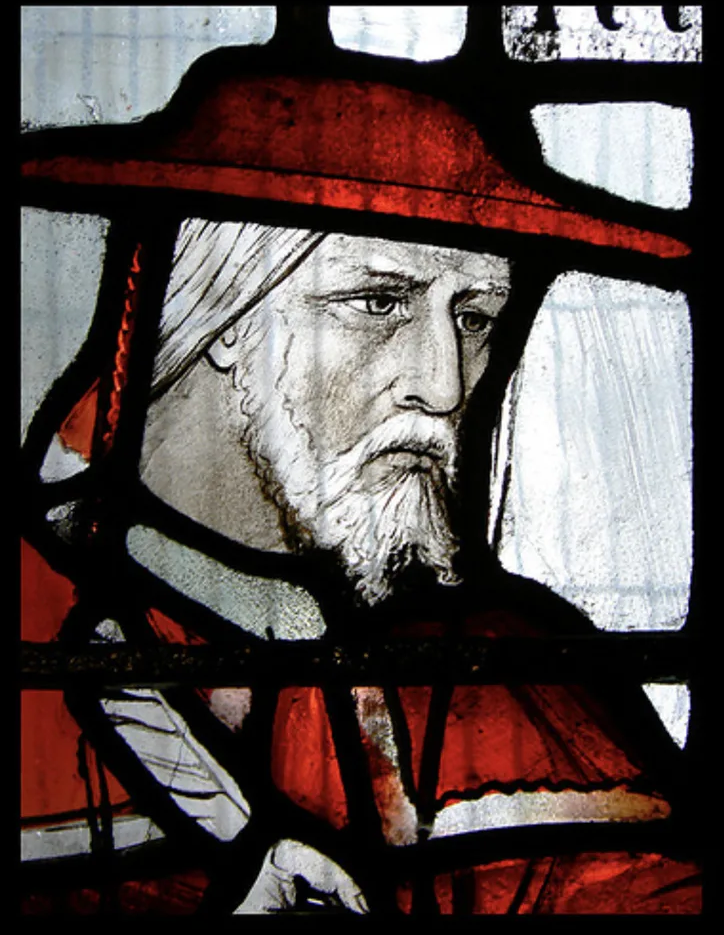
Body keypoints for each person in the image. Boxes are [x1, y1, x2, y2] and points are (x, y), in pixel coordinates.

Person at [21, 53, 700, 915]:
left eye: (473, 318)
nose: (443, 387)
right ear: (223, 316)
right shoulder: (39, 635)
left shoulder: (514, 676)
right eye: (379, 303)